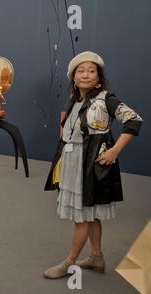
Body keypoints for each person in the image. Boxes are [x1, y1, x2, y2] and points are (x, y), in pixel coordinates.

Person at [43, 51, 143, 279]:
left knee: (82, 216)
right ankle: (96, 257)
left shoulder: (106, 98)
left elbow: (134, 120)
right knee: (91, 214)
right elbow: (67, 132)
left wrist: (114, 150)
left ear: (98, 78)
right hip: (73, 162)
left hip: (89, 165)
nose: (85, 74)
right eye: (81, 71)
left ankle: (70, 262)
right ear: (74, 78)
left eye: (91, 70)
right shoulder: (74, 101)